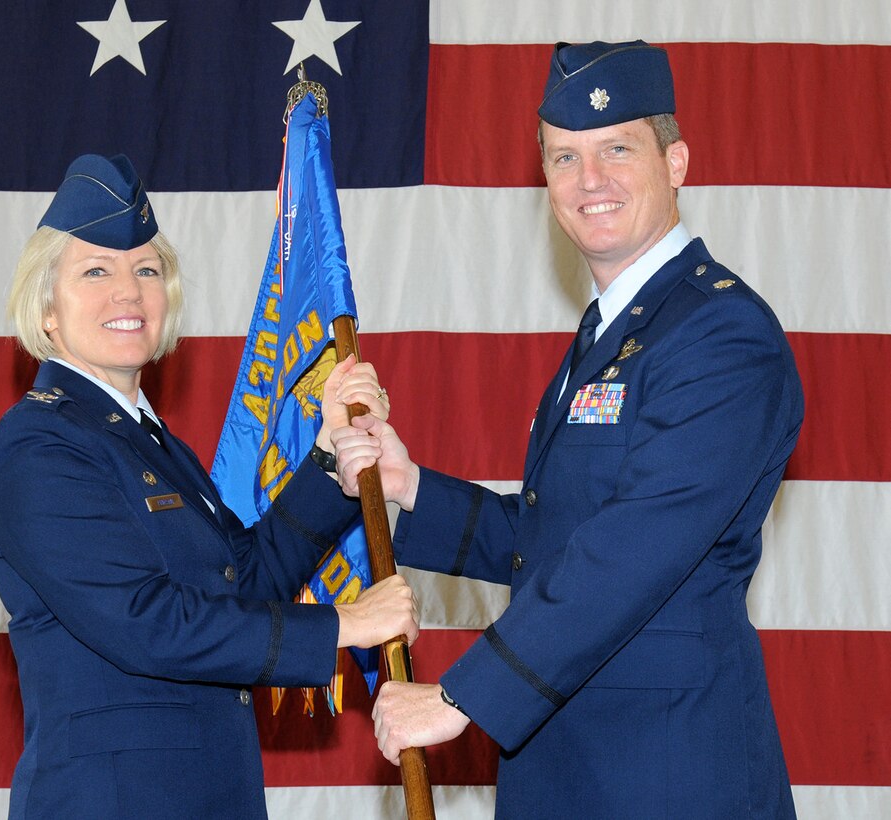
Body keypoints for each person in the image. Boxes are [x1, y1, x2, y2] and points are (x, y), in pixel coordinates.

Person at [332, 41, 803, 817]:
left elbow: (635, 547)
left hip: (665, 772)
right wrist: (409, 489)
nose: (590, 181)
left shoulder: (721, 334)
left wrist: (463, 695)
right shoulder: (609, 334)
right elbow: (557, 537)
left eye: (617, 149)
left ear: (675, 162)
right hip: (563, 763)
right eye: (562, 158)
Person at [0, 153, 419, 819]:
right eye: (95, 271)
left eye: (146, 270)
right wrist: (344, 623)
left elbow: (242, 584)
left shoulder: (149, 442)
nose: (127, 291)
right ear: (46, 313)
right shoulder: (39, 445)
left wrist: (331, 461)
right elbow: (146, 624)